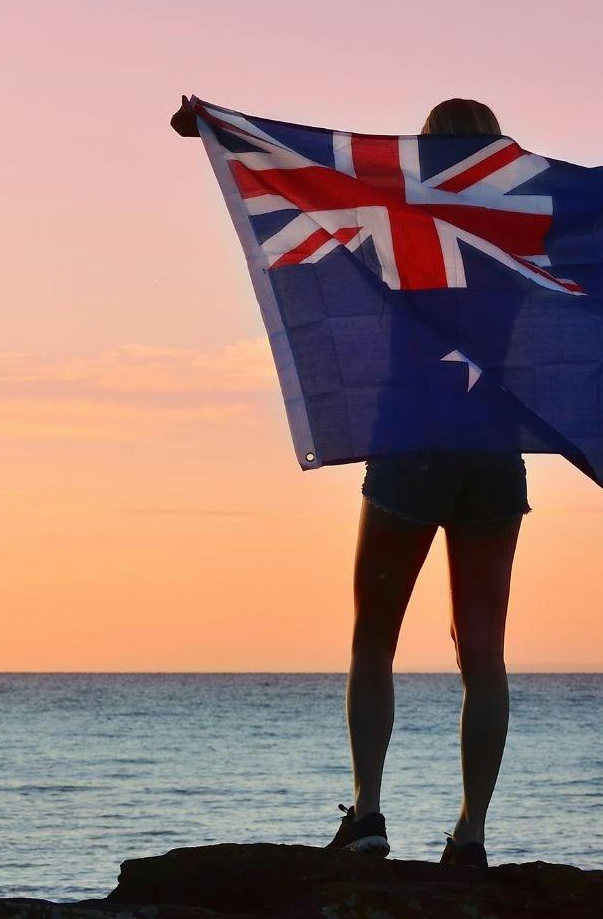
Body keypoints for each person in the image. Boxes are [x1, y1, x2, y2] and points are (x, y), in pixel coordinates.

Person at [169, 95, 527, 869]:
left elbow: (306, 183)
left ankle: (367, 814)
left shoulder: (397, 217)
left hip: (412, 444)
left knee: (375, 638)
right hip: (493, 449)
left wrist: (221, 131)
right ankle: (472, 836)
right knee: (485, 654)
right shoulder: (525, 235)